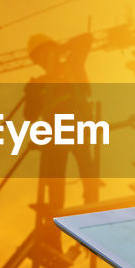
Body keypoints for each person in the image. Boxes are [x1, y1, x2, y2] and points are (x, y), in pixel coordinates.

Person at [24, 32, 101, 215]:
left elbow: (86, 39)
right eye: (38, 58)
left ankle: (91, 206)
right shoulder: (39, 83)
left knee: (85, 165)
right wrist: (32, 93)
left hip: (77, 124)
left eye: (44, 54)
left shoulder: (71, 66)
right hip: (55, 132)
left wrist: (61, 48)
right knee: (55, 176)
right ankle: (55, 220)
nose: (42, 60)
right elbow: (29, 115)